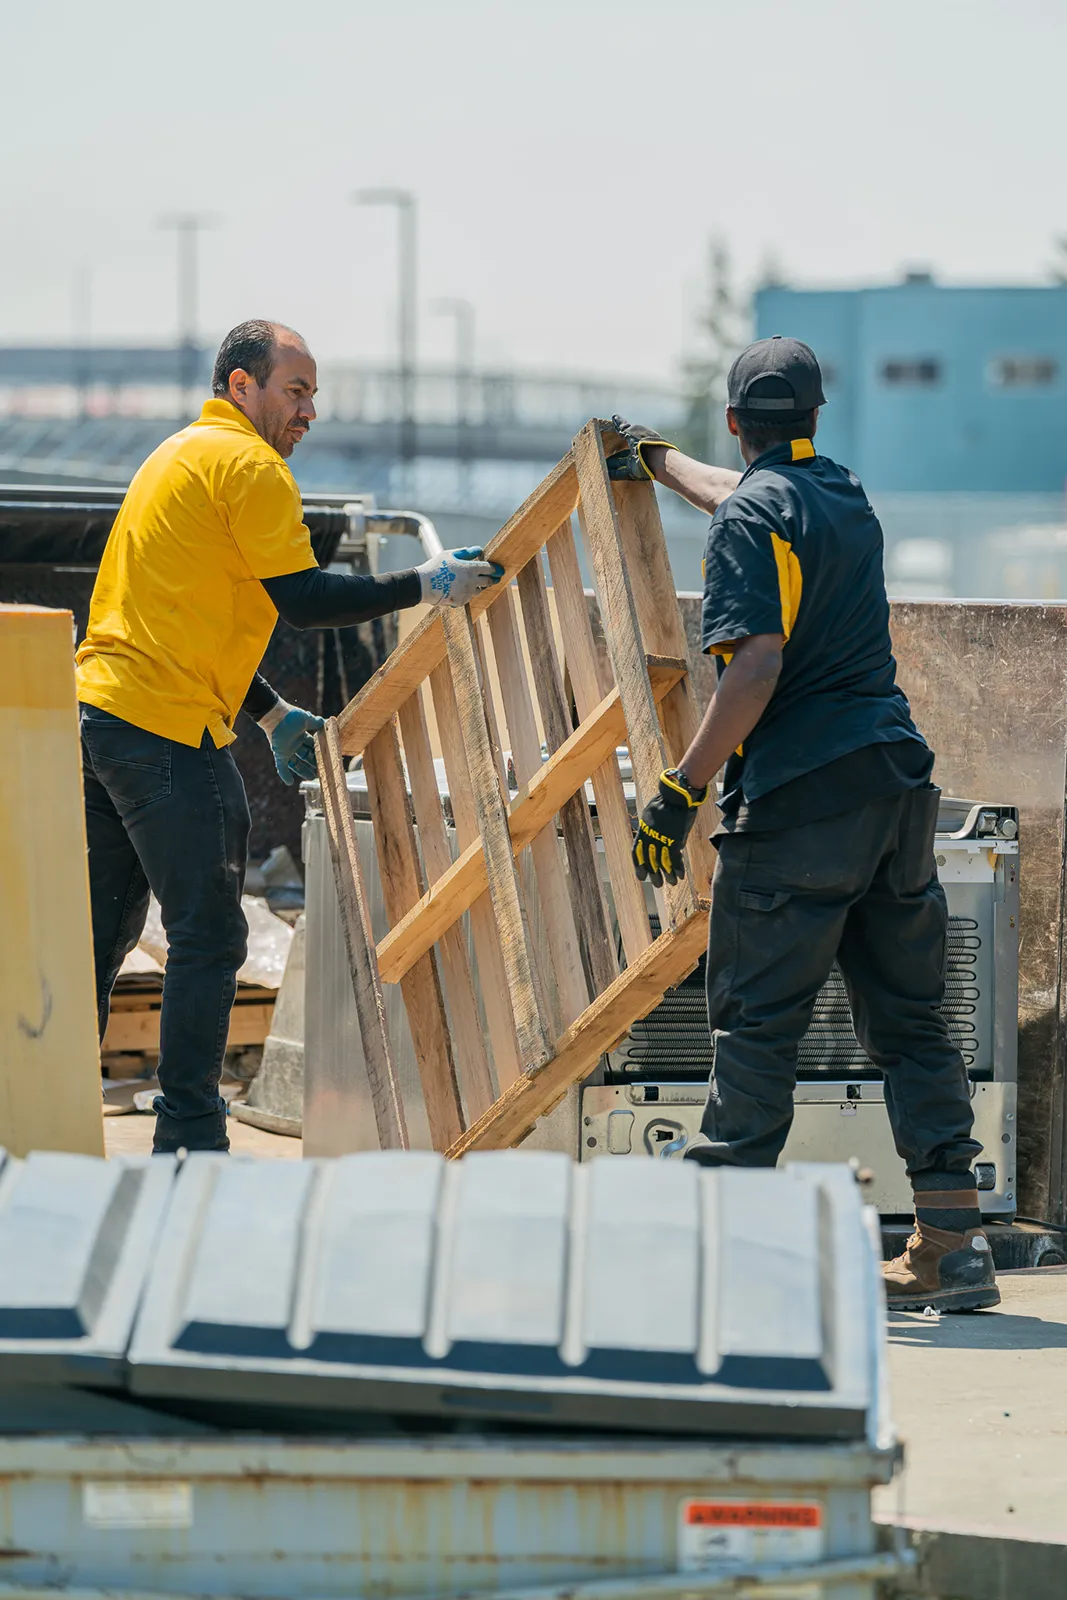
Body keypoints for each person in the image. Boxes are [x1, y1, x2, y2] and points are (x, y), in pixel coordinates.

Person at [610, 335, 998, 1312]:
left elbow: (752, 667)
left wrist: (679, 786)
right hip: (896, 785)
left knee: (755, 1026)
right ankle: (951, 1245)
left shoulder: (750, 516)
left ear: (736, 421)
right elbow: (738, 495)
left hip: (799, 806)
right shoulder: (842, 493)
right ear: (812, 421)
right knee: (911, 1024)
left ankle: (716, 1260)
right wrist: (657, 463)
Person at [76, 318, 502, 1155]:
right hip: (165, 732)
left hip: (100, 717)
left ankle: (35, 1112)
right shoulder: (251, 467)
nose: (308, 411)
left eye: (313, 395)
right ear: (243, 386)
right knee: (210, 933)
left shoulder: (175, 456)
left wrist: (268, 712)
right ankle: (190, 1140)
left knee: (95, 932)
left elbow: (188, 617)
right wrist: (425, 581)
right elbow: (304, 599)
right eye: (294, 390)